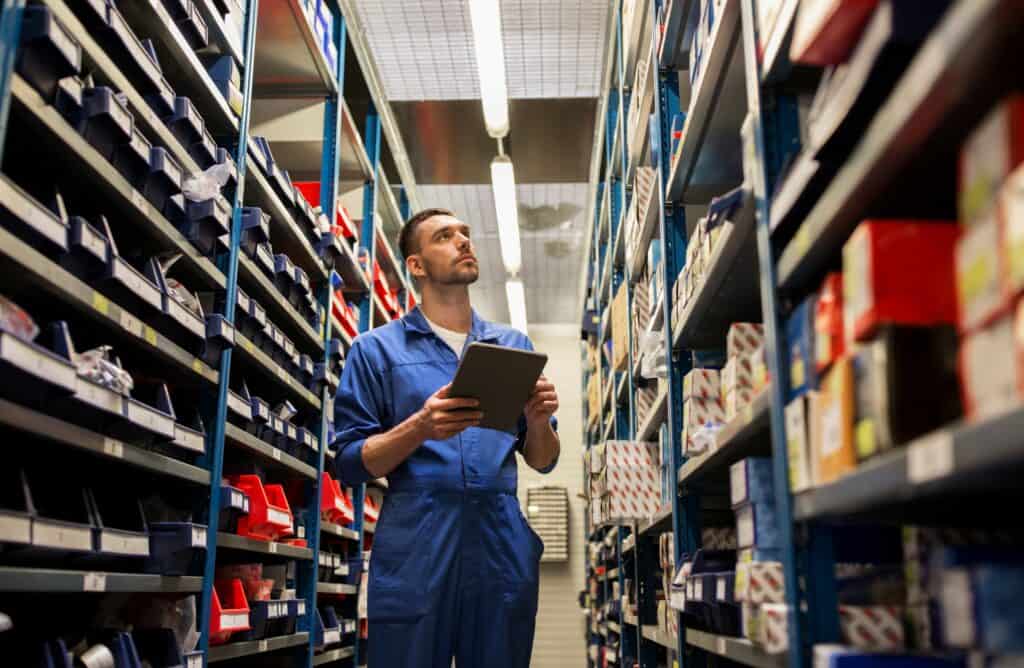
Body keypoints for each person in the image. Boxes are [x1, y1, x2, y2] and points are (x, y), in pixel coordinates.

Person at [333, 208, 561, 667]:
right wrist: (421, 426)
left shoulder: (510, 346)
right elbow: (351, 462)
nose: (463, 241)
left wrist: (538, 421)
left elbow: (543, 460)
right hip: (418, 543)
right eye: (445, 236)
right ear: (416, 265)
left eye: (465, 233)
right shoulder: (376, 350)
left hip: (499, 542)